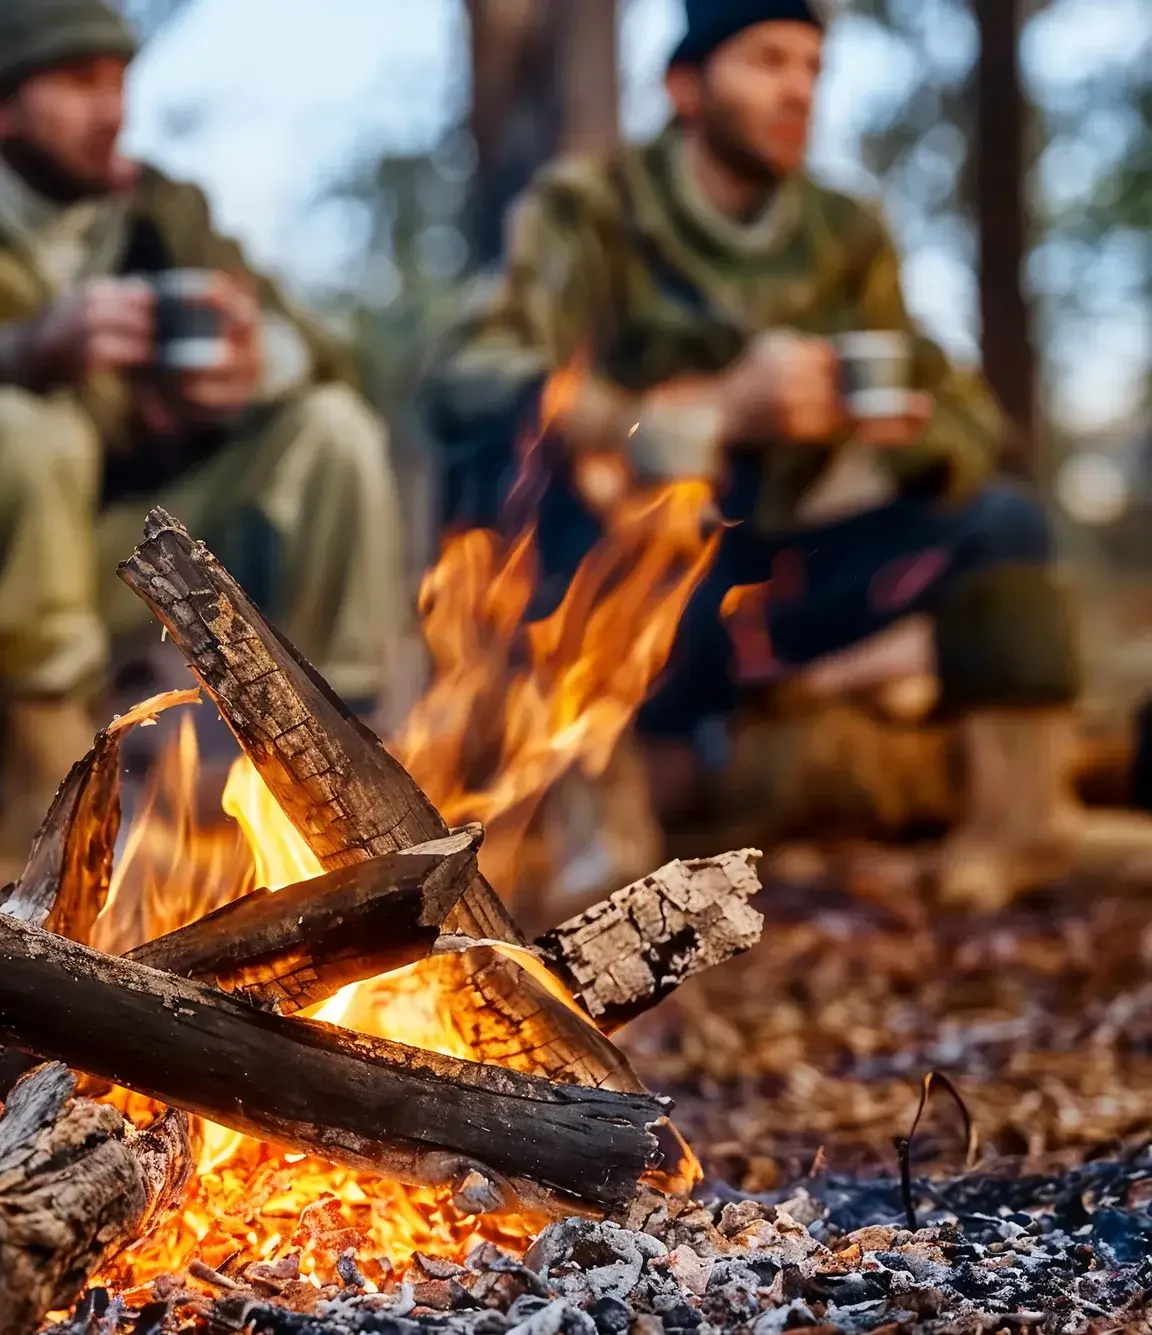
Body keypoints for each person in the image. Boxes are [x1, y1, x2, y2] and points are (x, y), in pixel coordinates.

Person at [424, 0, 1152, 910]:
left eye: (813, 67)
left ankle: (1021, 824)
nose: (799, 88)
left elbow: (962, 414)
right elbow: (475, 379)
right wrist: (710, 413)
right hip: (650, 581)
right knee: (556, 498)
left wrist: (893, 431)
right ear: (686, 87)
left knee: (1001, 521)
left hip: (787, 580)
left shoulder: (843, 233)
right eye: (768, 60)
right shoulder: (590, 212)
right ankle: (605, 836)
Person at [0, 0, 406, 851]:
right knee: (25, 426)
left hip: (119, 551)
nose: (113, 111)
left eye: (120, 80)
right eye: (80, 82)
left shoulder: (161, 209)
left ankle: (340, 750)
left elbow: (321, 353)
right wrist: (19, 352)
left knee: (332, 429)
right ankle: (44, 775)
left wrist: (255, 361)